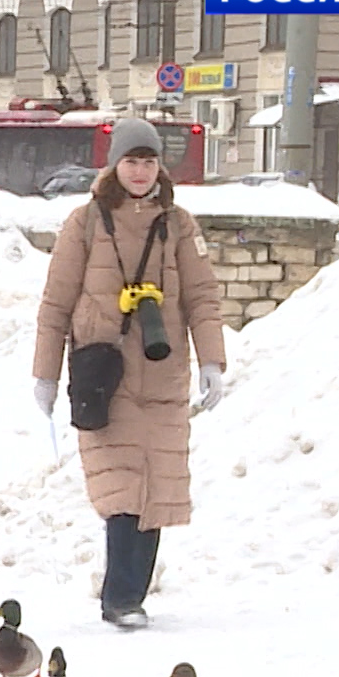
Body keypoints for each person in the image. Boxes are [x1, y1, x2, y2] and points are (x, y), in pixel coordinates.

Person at [31, 117, 228, 630]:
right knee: (121, 490)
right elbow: (56, 302)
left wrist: (212, 360)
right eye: (131, 160)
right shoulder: (86, 223)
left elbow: (203, 296)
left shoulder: (178, 224)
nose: (140, 171)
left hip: (163, 374)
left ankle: (131, 595)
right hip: (104, 373)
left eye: (148, 161)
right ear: (114, 164)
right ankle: (120, 598)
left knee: (157, 490)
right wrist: (46, 373)